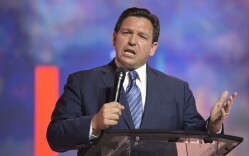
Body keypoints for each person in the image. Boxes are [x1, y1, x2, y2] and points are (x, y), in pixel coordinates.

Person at [47, 7, 237, 156]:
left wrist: (212, 126)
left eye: (142, 36)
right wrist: (94, 123)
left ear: (152, 48)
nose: (132, 41)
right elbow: (55, 137)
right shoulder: (82, 82)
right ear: (114, 38)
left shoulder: (177, 90)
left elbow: (197, 140)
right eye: (126, 33)